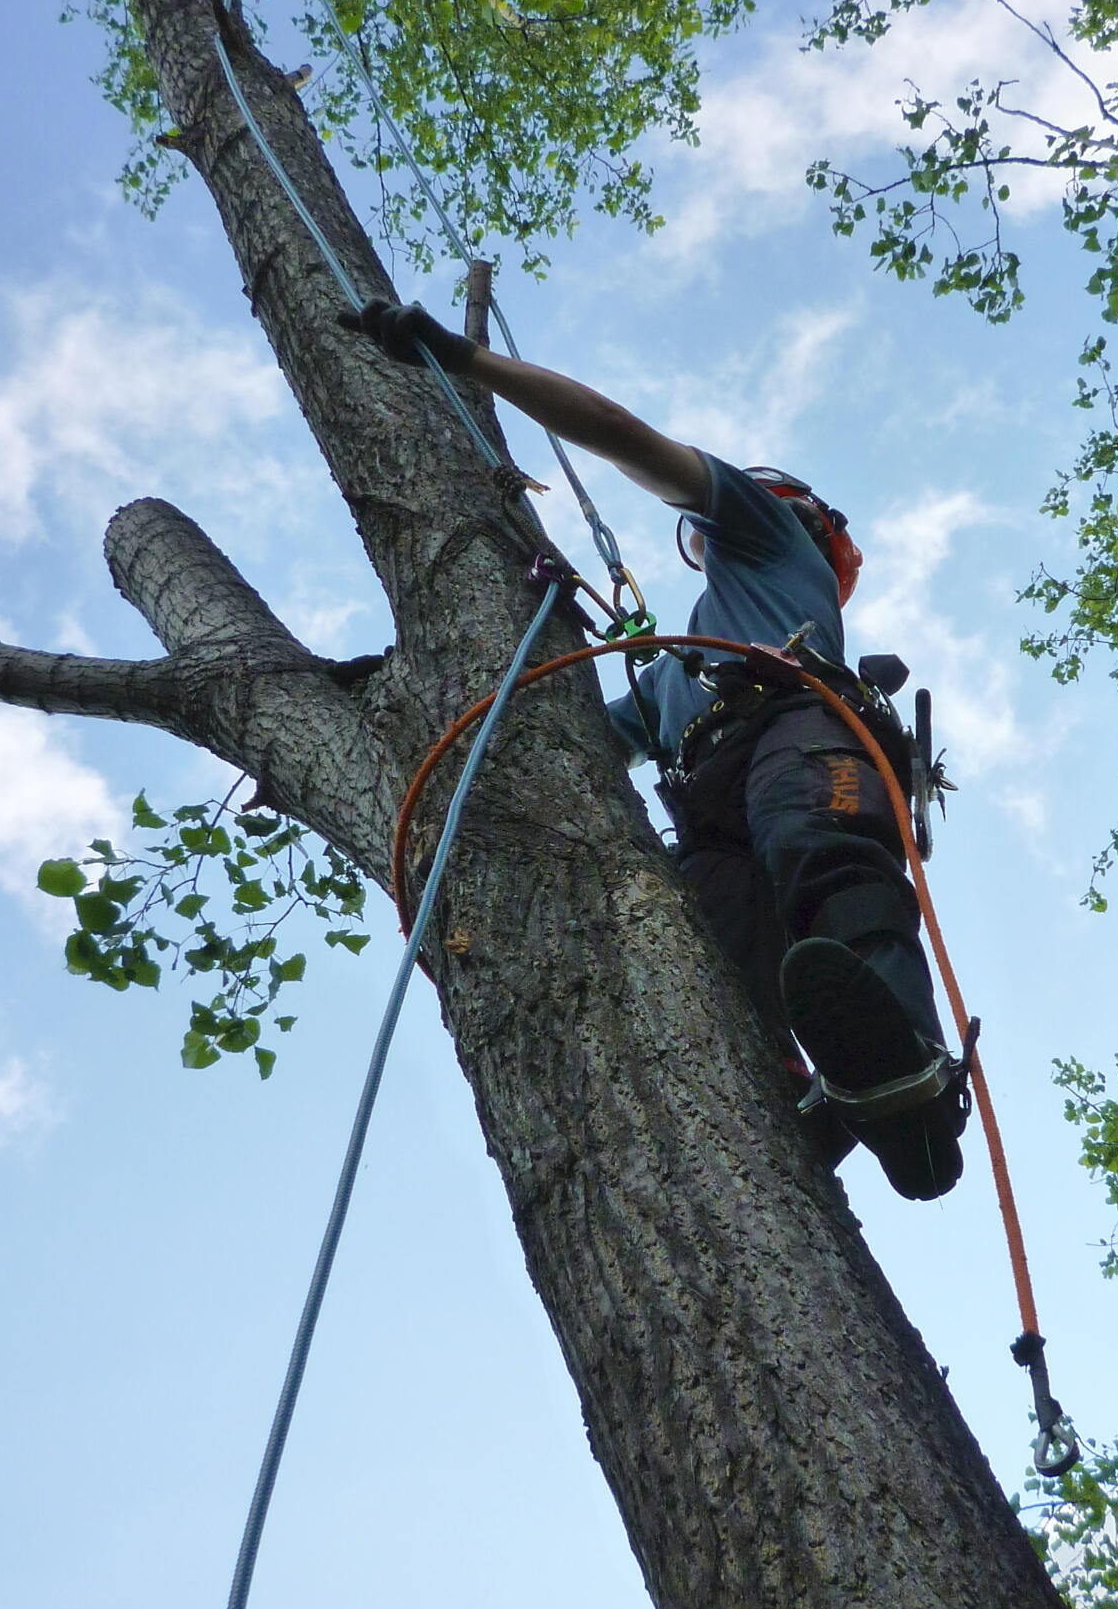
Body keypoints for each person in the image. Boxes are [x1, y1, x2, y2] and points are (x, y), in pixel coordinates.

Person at [343, 298, 967, 1201]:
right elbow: (565, 739)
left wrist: (462, 359)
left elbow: (617, 433)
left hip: (794, 726)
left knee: (821, 851)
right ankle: (790, 1097)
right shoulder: (678, 674)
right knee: (714, 939)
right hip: (711, 807)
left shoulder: (773, 541)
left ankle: (905, 1067)